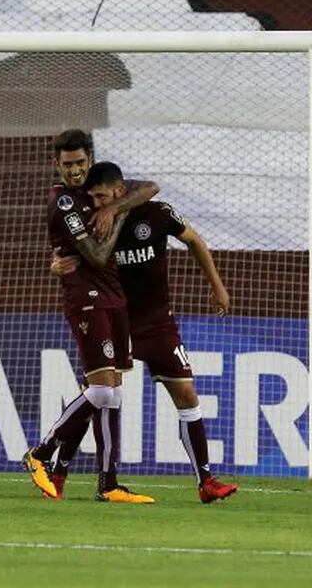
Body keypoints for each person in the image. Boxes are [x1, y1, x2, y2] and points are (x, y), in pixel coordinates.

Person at [50, 161, 237, 503]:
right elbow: (66, 254)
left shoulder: (158, 214)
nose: (95, 204)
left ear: (120, 193)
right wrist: (56, 264)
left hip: (157, 322)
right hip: (113, 318)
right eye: (91, 198)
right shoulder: (93, 224)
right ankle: (59, 471)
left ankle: (206, 481)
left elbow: (194, 240)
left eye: (101, 197)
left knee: (187, 394)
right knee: (98, 396)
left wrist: (217, 286)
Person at [23, 129, 158, 503]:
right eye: (67, 165)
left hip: (114, 296)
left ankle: (109, 483)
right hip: (86, 298)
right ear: (57, 165)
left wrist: (113, 205)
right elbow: (97, 256)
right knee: (100, 390)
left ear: (90, 160)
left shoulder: (96, 191)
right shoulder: (64, 202)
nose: (75, 171)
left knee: (112, 395)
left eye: (80, 163)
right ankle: (40, 453)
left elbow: (150, 186)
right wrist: (116, 214)